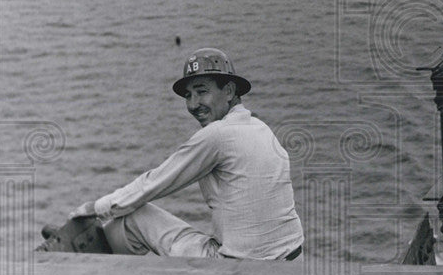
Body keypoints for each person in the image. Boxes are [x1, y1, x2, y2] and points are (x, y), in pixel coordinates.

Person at [69, 48, 303, 261]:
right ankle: (87, 249)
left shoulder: (218, 135)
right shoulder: (261, 129)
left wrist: (95, 208)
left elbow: (155, 182)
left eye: (202, 92)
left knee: (133, 217)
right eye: (188, 96)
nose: (193, 104)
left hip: (240, 269)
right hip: (290, 263)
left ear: (229, 91)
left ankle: (77, 256)